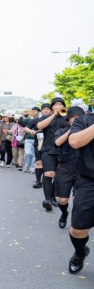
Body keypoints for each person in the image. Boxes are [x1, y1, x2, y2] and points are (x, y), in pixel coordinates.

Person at [65, 110, 94, 273]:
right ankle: (80, 252)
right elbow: (75, 142)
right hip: (89, 181)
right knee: (78, 230)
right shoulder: (84, 120)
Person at [54, 107, 84, 229]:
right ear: (69, 119)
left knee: (78, 200)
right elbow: (57, 143)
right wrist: (70, 131)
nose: (76, 120)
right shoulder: (62, 131)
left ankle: (76, 222)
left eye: (79, 117)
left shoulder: (86, 133)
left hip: (82, 169)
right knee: (62, 200)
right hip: (65, 167)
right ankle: (64, 213)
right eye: (74, 117)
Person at [37, 97, 68, 211]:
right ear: (52, 107)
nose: (58, 106)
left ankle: (53, 196)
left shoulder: (67, 118)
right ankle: (48, 200)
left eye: (60, 104)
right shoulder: (46, 117)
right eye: (56, 105)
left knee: (58, 176)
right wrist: (53, 115)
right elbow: (40, 126)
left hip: (63, 151)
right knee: (48, 174)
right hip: (48, 150)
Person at [22, 107, 40, 173]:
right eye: (33, 111)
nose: (34, 112)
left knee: (34, 154)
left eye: (35, 111)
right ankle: (26, 165)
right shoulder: (28, 119)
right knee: (27, 153)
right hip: (28, 139)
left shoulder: (41, 119)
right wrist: (24, 115)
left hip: (36, 139)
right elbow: (20, 123)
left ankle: (32, 167)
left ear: (38, 112)